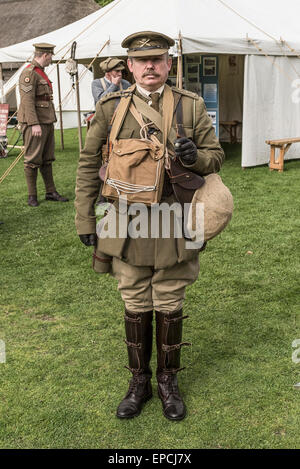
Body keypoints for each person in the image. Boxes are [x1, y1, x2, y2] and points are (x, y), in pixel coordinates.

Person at [75, 31, 224, 421]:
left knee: (170, 295)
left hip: (174, 216)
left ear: (169, 64)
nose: (150, 66)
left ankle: (168, 382)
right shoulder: (110, 107)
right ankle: (138, 381)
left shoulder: (190, 106)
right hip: (124, 217)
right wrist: (84, 217)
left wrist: (195, 158)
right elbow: (90, 163)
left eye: (158, 59)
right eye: (142, 61)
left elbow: (216, 156)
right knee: (135, 296)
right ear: (130, 66)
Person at [18, 43, 68, 207]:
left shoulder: (40, 73)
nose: (51, 60)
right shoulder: (29, 73)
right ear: (45, 55)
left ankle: (50, 191)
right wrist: (33, 124)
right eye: (51, 57)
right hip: (36, 123)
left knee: (47, 159)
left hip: (46, 120)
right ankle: (32, 195)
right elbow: (27, 101)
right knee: (32, 160)